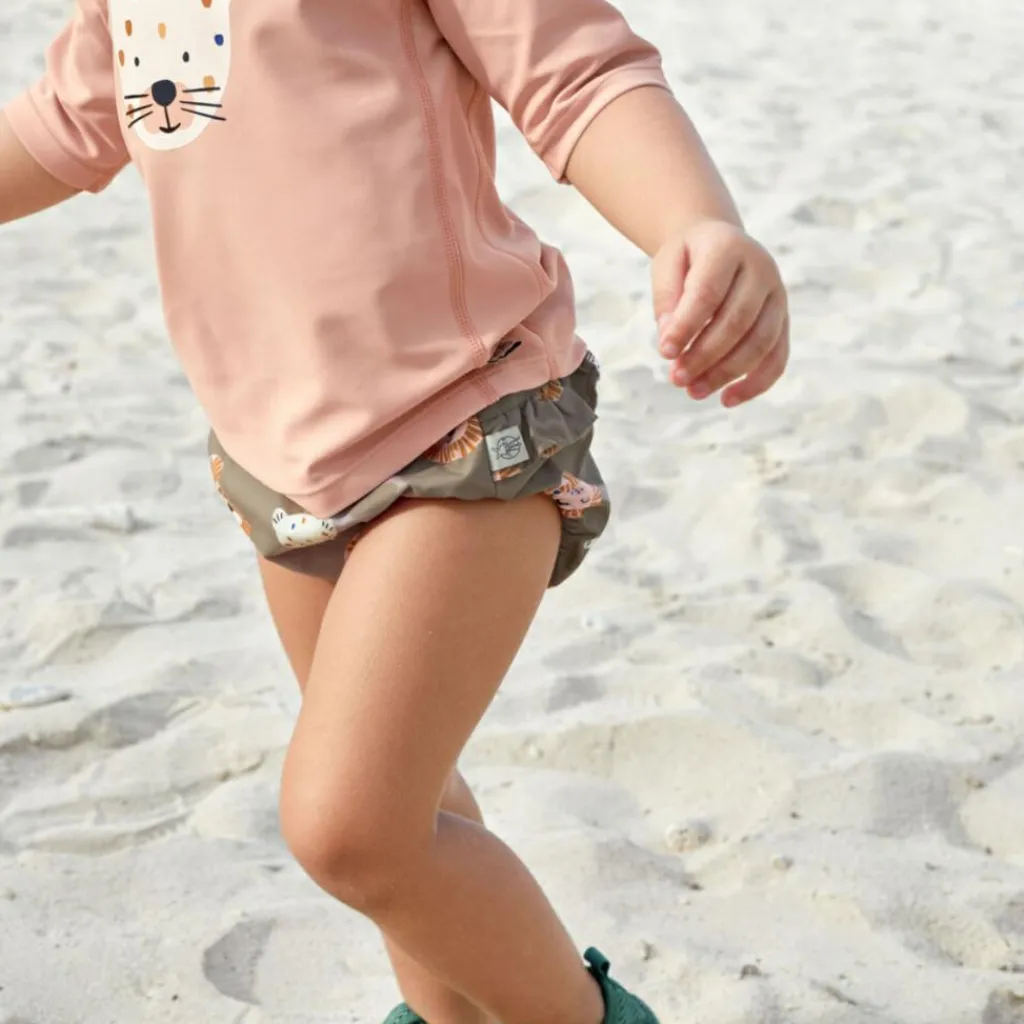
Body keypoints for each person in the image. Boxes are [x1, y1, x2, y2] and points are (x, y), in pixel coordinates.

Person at [0, 1, 789, 1021]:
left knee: (353, 827)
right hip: (281, 461)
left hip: (465, 419)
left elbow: (573, 70)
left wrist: (690, 220)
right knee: (413, 811)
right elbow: (72, 121)